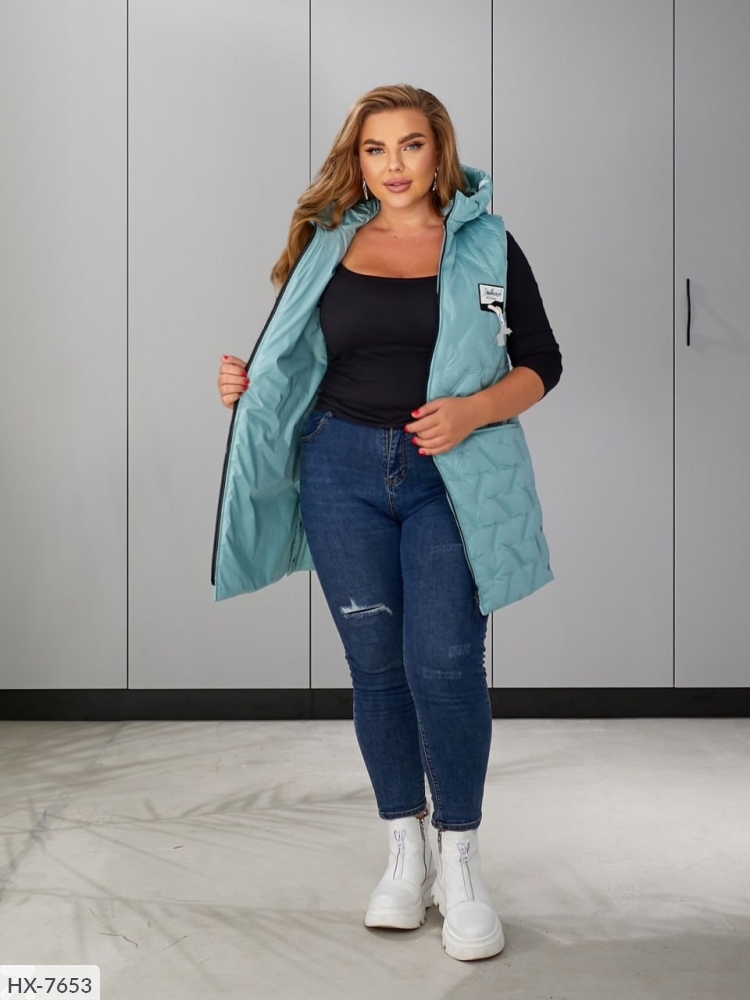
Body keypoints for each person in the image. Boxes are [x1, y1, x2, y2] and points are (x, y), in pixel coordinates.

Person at [215, 84, 562, 962]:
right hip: (340, 468)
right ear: (357, 159)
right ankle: (406, 852)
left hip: (451, 475)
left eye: (411, 144)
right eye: (375, 148)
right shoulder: (327, 241)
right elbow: (287, 357)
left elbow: (542, 361)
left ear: (440, 151)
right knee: (375, 666)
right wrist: (240, 383)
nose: (394, 164)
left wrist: (474, 410)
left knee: (444, 661)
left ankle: (462, 860)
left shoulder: (486, 242)